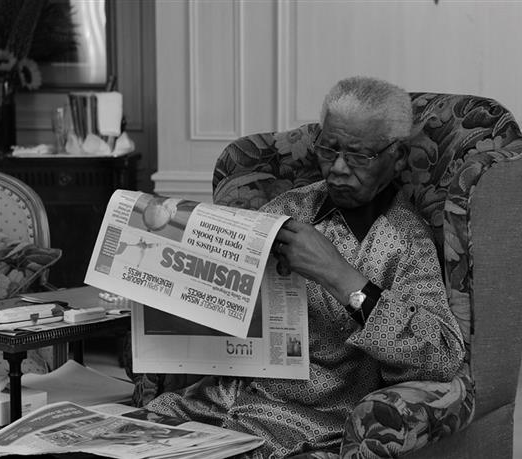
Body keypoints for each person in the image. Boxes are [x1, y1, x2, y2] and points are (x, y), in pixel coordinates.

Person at [145, 76, 465, 457]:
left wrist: (339, 275)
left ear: (396, 158)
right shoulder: (287, 209)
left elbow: (441, 356)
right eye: (328, 150)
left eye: (359, 155)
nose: (338, 169)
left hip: (302, 427)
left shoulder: (407, 242)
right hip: (212, 404)